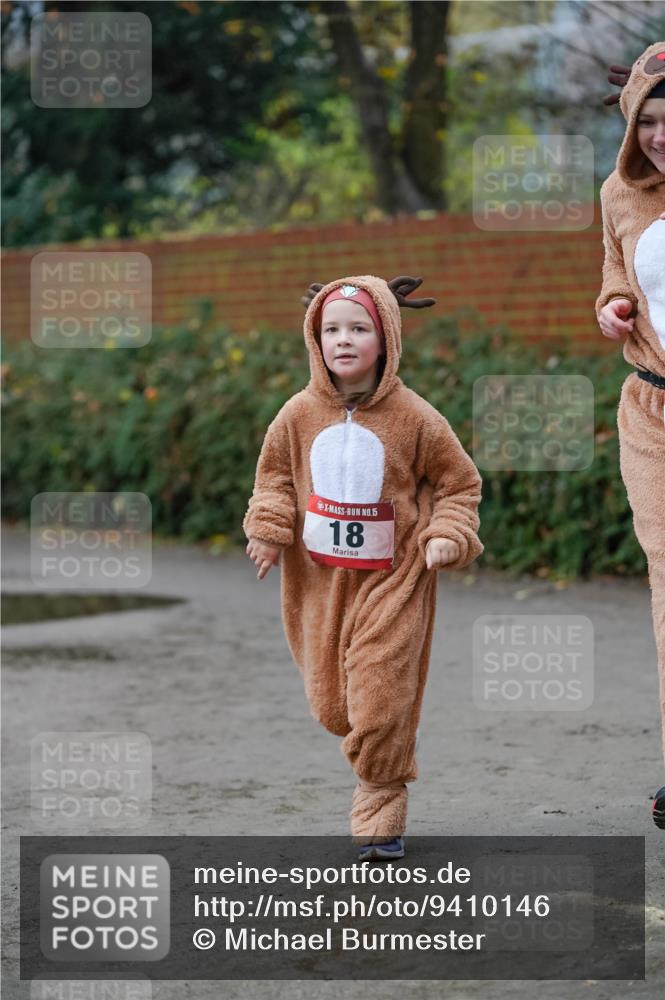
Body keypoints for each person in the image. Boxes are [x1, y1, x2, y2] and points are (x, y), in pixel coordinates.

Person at [243, 274, 483, 859]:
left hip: (394, 577)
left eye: (359, 329)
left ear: (387, 338)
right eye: (331, 330)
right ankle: (369, 753)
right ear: (313, 338)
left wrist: (449, 533)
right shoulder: (297, 415)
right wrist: (269, 531)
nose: (343, 340)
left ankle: (380, 807)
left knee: (379, 697)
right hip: (319, 581)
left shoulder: (416, 417)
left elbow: (460, 484)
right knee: (335, 707)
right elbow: (274, 478)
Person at [596, 41, 665, 828]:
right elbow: (613, 273)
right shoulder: (617, 193)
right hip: (649, 412)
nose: (658, 135)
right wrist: (611, 306)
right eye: (646, 121)